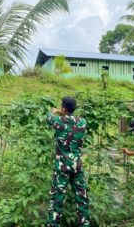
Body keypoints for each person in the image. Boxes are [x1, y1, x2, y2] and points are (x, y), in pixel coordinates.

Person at [46, 96, 90, 227]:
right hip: (77, 167)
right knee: (82, 199)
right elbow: (71, 120)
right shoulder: (82, 122)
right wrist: (64, 112)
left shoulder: (58, 121)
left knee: (56, 200)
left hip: (62, 168)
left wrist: (54, 111)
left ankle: (53, 224)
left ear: (64, 109)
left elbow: (48, 118)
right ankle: (85, 224)